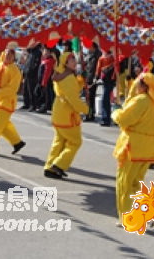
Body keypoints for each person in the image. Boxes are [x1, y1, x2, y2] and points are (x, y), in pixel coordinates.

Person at [113, 72, 154, 221]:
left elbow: (124, 119)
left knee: (125, 183)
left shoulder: (141, 101)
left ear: (144, 86)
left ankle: (128, 217)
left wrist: (116, 112)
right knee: (136, 183)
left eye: (138, 84)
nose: (136, 86)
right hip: (147, 148)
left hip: (134, 147)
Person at [44, 51, 89, 179]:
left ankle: (50, 166)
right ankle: (58, 165)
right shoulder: (68, 78)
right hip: (67, 114)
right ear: (65, 63)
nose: (75, 62)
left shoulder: (62, 74)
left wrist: (81, 81)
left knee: (59, 141)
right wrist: (85, 109)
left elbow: (73, 89)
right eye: (72, 60)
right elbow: (73, 99)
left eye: (74, 59)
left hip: (59, 111)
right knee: (75, 142)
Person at [96, 48, 115, 126]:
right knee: (106, 99)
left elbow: (98, 69)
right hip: (106, 80)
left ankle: (106, 119)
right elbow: (98, 69)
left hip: (110, 80)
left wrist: (97, 76)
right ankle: (106, 118)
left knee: (105, 99)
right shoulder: (103, 58)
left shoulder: (112, 58)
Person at [84, 42, 102, 122]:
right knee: (88, 97)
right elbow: (87, 64)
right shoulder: (89, 53)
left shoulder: (98, 55)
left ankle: (90, 114)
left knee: (90, 97)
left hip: (93, 78)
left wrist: (95, 78)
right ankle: (89, 113)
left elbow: (97, 68)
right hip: (88, 77)